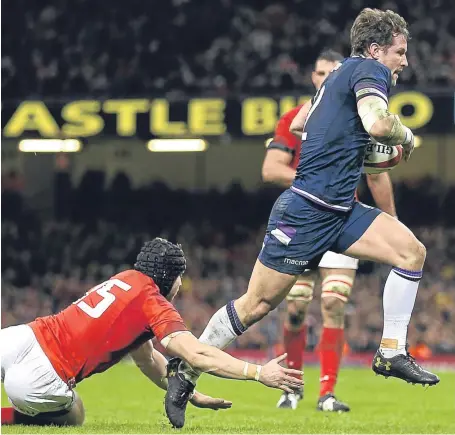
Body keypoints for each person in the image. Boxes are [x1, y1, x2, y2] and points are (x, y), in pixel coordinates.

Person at [165, 8, 440, 428]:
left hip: (341, 210)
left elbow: (301, 122)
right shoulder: (370, 71)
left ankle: (391, 351)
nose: (405, 61)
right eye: (400, 52)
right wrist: (404, 135)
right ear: (375, 49)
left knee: (411, 252)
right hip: (306, 210)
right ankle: (185, 371)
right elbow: (377, 122)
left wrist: (347, 141)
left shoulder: (336, 77)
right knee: (256, 305)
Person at [1, 238, 302, 428]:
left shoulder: (125, 279)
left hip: (23, 337)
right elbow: (196, 353)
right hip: (43, 378)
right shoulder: (152, 302)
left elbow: (146, 359)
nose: (181, 285)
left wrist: (191, 394)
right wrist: (258, 373)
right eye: (180, 277)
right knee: (76, 415)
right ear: (169, 277)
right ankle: (7, 417)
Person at [262, 50, 397, 412]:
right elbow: (272, 168)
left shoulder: (357, 116)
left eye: (331, 72)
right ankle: (291, 387)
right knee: (295, 307)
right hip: (305, 216)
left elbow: (377, 173)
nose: (325, 78)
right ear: (312, 76)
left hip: (341, 216)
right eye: (320, 72)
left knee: (334, 302)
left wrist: (392, 224)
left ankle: (327, 393)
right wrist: (316, 183)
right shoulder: (295, 118)